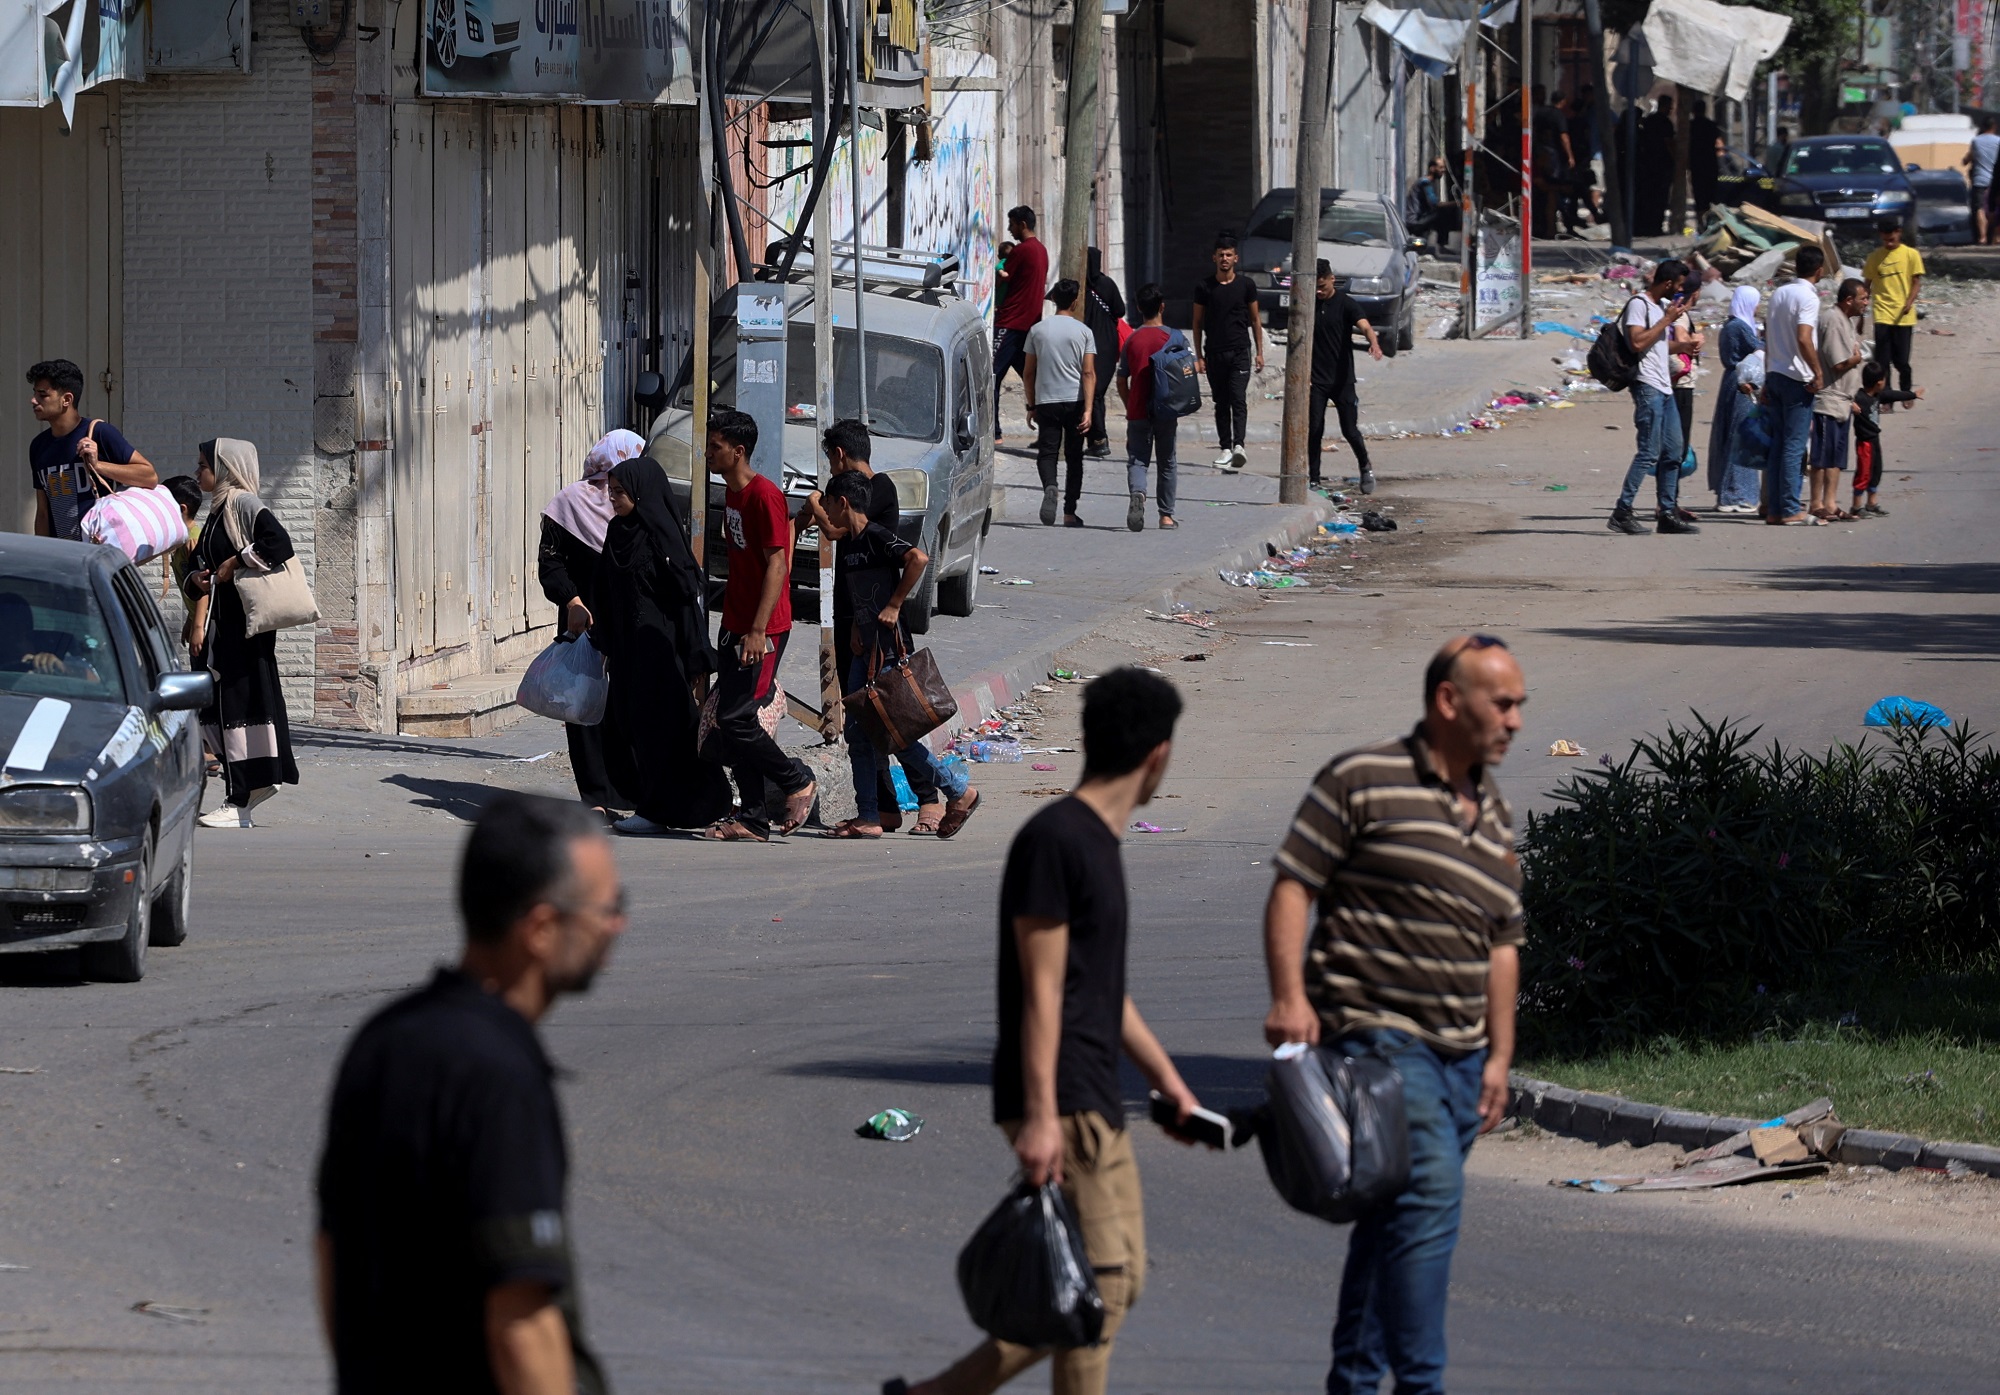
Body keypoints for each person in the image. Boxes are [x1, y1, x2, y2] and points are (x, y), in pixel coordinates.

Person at [883, 667, 1205, 1395]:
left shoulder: (1095, 841)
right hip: (1060, 1094)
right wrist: (1038, 1115)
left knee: (1108, 1282)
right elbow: (1041, 986)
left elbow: (1102, 990)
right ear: (1158, 754)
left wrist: (1170, 1084)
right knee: (1102, 1290)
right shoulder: (1058, 840)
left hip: (1093, 1091)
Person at [1262, 634, 1527, 1395]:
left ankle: (1353, 1381)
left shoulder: (1495, 813)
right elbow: (1294, 884)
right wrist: (1289, 996)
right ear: (1449, 701)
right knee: (1430, 1200)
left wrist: (1499, 1056)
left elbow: (1503, 944)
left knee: (1394, 1222)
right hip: (1380, 1045)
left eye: (1519, 705)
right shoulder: (1362, 778)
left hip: (1462, 1061)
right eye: (1501, 704)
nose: (1514, 720)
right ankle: (1422, 1383)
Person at [315, 792, 620, 1395]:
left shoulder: (384, 1039)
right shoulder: (498, 1075)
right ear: (541, 928)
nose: (617, 926)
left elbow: (332, 1251)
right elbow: (520, 1322)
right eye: (607, 909)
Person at [799, 419, 948, 833]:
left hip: (880, 626)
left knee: (895, 714)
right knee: (865, 721)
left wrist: (814, 504)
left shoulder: (877, 489)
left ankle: (931, 796)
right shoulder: (850, 494)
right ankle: (880, 808)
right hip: (854, 622)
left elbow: (835, 531)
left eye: (830, 460)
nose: (830, 470)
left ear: (840, 455)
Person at [821, 470, 980, 841]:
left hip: (888, 650)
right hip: (865, 649)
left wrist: (894, 605)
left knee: (893, 735)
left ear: (842, 502)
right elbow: (859, 593)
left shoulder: (876, 536)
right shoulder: (851, 543)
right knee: (859, 735)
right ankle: (869, 815)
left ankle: (957, 791)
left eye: (828, 503)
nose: (826, 510)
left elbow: (918, 559)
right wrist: (857, 628)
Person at [594, 457, 735, 836]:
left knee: (661, 732)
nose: (613, 499)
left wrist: (695, 658)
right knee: (632, 728)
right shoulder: (616, 532)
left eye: (620, 492)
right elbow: (605, 591)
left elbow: (687, 602)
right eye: (611, 491)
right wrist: (605, 641)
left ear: (640, 493)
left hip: (660, 652)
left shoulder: (661, 537)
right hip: (627, 652)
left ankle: (656, 810)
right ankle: (694, 802)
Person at [699, 408, 816, 842]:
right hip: (735, 621)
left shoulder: (764, 495)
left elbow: (777, 565)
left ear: (738, 451)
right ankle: (752, 819)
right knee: (730, 720)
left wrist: (758, 630)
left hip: (761, 629)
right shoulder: (732, 494)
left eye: (715, 447)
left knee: (737, 718)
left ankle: (796, 780)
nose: (708, 453)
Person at [186, 439, 300, 828]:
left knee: (237, 706)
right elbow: (200, 563)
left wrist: (236, 561)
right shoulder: (217, 510)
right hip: (223, 628)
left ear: (225, 470)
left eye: (203, 466)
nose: (198, 472)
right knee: (219, 710)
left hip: (245, 629)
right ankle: (249, 790)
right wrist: (198, 578)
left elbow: (278, 544)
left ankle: (239, 801)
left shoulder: (243, 504)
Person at [537, 430, 640, 817]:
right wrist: (571, 600)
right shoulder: (568, 504)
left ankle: (631, 794)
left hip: (629, 621)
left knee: (625, 706)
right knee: (583, 707)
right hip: (584, 619)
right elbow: (550, 562)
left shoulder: (638, 501)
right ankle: (595, 797)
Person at [1607, 259, 1703, 535]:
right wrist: (1667, 320)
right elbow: (1637, 342)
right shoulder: (1640, 304)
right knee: (1649, 452)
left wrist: (1683, 346)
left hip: (1665, 388)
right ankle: (1622, 512)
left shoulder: (1662, 306)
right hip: (1647, 386)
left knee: (1673, 452)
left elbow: (1657, 344)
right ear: (1669, 283)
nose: (1682, 291)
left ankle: (1667, 513)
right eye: (1680, 286)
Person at [25, 358, 156, 543]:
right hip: (62, 552)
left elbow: (149, 476)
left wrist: (98, 465)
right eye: (34, 393)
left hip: (99, 550)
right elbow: (43, 511)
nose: (33, 400)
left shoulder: (99, 433)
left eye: (42, 395)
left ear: (66, 399)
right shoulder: (39, 446)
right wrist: (42, 552)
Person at [1760, 244, 1827, 526]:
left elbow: (1768, 336)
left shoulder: (1779, 293)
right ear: (1819, 271)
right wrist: (1817, 371)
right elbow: (1803, 337)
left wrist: (1767, 376)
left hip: (1775, 373)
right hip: (1797, 378)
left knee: (1779, 444)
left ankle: (1775, 509)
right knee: (1794, 445)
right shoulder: (1808, 297)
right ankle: (1789, 508)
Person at [1022, 279, 1097, 528]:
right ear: (1075, 302)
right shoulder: (1084, 332)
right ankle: (1069, 512)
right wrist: (1088, 410)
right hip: (1075, 401)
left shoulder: (1037, 330)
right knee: (1074, 457)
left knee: (1047, 452)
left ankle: (1050, 486)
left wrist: (1031, 405)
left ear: (1053, 300)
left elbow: (1029, 372)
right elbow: (1088, 373)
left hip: (1047, 401)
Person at [1305, 259, 1382, 496]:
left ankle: (1365, 466)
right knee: (1315, 429)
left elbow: (1365, 326)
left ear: (1332, 279)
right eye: (1315, 287)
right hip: (1316, 379)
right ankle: (1314, 479)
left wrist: (1374, 343)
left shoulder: (1346, 304)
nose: (1319, 292)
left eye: (1322, 287)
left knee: (1349, 429)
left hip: (1342, 379)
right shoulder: (1309, 304)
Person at [1190, 233, 1264, 472]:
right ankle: (1225, 448)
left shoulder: (1246, 285)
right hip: (1214, 352)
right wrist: (1199, 357)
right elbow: (1197, 323)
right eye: (1221, 254)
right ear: (1214, 257)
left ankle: (1239, 445)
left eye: (1229, 254)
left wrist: (1260, 352)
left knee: (1238, 397)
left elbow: (1255, 319)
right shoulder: (1204, 287)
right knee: (1221, 402)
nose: (1224, 258)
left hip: (1240, 351)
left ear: (1235, 258)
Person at [1114, 282, 1181, 531]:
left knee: (1138, 460)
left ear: (1139, 308)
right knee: (1167, 461)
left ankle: (1138, 494)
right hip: (1167, 409)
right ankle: (1166, 516)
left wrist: (1130, 404)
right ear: (1162, 307)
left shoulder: (1132, 340)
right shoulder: (1175, 337)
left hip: (1138, 410)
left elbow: (1121, 380)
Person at [1809, 278, 1868, 522]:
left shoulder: (1846, 321)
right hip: (1829, 399)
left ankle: (1831, 503)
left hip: (1843, 400)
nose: (1866, 303)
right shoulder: (1833, 319)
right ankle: (1816, 503)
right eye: (1863, 298)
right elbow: (1839, 363)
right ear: (1849, 300)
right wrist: (1856, 359)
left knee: (1836, 457)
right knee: (1822, 456)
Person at [991, 206, 1049, 443]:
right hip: (1029, 326)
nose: (1009, 229)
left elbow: (1002, 279)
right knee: (1032, 377)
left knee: (990, 377)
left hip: (1009, 323)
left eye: (1012, 224)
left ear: (1022, 224)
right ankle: (1048, 433)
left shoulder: (1022, 251)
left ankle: (993, 433)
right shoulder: (1041, 250)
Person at [1707, 287, 1764, 513]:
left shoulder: (1731, 325)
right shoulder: (1739, 327)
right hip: (1742, 382)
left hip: (1733, 380)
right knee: (1742, 435)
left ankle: (1730, 492)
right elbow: (1759, 349)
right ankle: (1737, 494)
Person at [1850, 360, 1922, 519]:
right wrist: (1850, 405)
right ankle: (1856, 506)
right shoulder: (1859, 399)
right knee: (1863, 473)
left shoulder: (1877, 395)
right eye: (1884, 379)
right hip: (1864, 443)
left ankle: (1871, 503)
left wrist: (1912, 395)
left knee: (1876, 471)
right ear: (1879, 382)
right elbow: (1845, 400)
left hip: (1874, 440)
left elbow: (1894, 395)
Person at [1862, 220, 1923, 399]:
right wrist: (1861, 312)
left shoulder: (1911, 255)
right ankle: (1886, 397)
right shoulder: (1874, 257)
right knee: (1882, 361)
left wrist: (1909, 302)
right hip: (1882, 313)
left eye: (1891, 239)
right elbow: (1867, 285)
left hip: (1903, 316)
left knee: (1901, 361)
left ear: (1899, 232)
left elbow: (1916, 282)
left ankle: (1905, 390)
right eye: (1885, 240)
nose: (1888, 243)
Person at [1082, 248, 1126, 459]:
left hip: (1086, 344)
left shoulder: (1079, 285)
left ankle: (1099, 439)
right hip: (1108, 344)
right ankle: (1096, 439)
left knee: (1093, 392)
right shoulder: (1107, 284)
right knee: (1096, 392)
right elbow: (1120, 310)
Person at [161, 475, 208, 656]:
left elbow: (204, 587)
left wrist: (198, 627)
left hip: (207, 624)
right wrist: (191, 619)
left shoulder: (193, 542)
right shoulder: (182, 541)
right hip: (199, 618)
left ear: (182, 509)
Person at [1633, 96, 1677, 236]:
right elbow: (1669, 143)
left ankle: (1646, 226)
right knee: (1659, 198)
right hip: (1661, 166)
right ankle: (1655, 227)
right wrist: (1676, 159)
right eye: (1669, 106)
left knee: (1648, 197)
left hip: (1647, 165)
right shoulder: (1665, 123)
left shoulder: (1649, 120)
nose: (1671, 109)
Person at [1404, 157, 1462, 250]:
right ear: (1432, 168)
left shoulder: (1426, 182)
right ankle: (1441, 245)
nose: (1443, 170)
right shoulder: (1425, 183)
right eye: (1440, 167)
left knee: (1437, 214)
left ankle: (1423, 244)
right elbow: (1435, 204)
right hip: (1415, 221)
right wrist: (1457, 203)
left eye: (1444, 167)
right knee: (1443, 212)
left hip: (1417, 219)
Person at [1688, 97, 1723, 217]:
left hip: (1696, 163)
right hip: (1710, 163)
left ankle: (1700, 218)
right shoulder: (1711, 125)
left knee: (1699, 194)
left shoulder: (1691, 126)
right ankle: (1708, 217)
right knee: (1710, 194)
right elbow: (1717, 142)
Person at [1973, 117, 2000, 245]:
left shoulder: (1976, 141)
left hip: (1980, 179)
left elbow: (1972, 157)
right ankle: (1996, 235)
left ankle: (1982, 236)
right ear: (1994, 126)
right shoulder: (1998, 141)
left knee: (1980, 208)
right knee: (1996, 207)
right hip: (1995, 179)